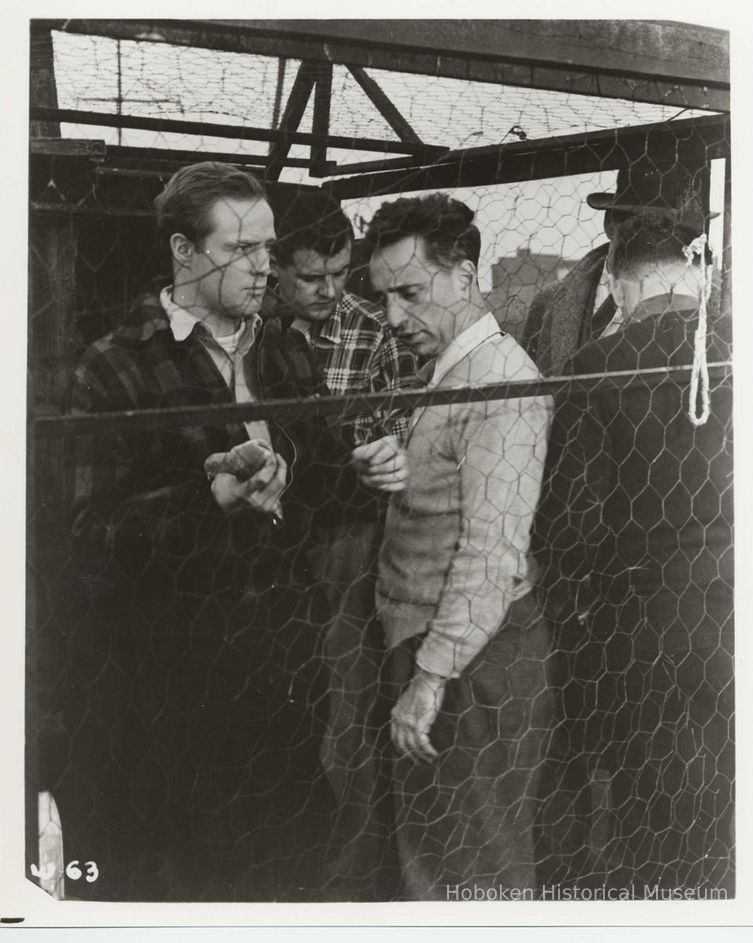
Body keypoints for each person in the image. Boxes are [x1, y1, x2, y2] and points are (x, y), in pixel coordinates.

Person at [61, 162, 403, 901]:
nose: (262, 267)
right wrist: (207, 501)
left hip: (287, 661)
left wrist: (359, 474)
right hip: (177, 679)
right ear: (183, 251)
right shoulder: (116, 365)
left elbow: (316, 491)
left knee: (298, 854)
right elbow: (89, 535)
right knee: (201, 873)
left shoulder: (284, 349)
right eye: (240, 248)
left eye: (267, 247)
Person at [353, 192, 554, 899]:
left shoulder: (501, 382)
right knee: (434, 856)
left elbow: (495, 552)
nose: (393, 318)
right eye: (383, 297)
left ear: (465, 278)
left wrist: (431, 677)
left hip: (472, 662)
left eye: (410, 292)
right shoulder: (451, 371)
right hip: (439, 648)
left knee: (475, 868)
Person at [533, 211, 734, 895]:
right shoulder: (748, 349)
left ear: (618, 288)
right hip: (741, 601)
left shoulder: (599, 365)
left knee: (653, 791)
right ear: (696, 274)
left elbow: (571, 520)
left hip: (642, 615)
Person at [268, 190, 418, 898]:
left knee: (345, 717)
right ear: (271, 265)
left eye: (339, 273)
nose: (330, 291)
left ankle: (346, 885)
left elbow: (398, 436)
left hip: (345, 542)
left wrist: (383, 455)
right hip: (260, 546)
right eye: (310, 278)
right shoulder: (249, 329)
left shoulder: (373, 332)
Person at [521, 158, 716, 375]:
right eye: (639, 223)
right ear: (610, 223)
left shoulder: (713, 302)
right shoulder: (547, 302)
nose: (653, 236)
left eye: (666, 226)